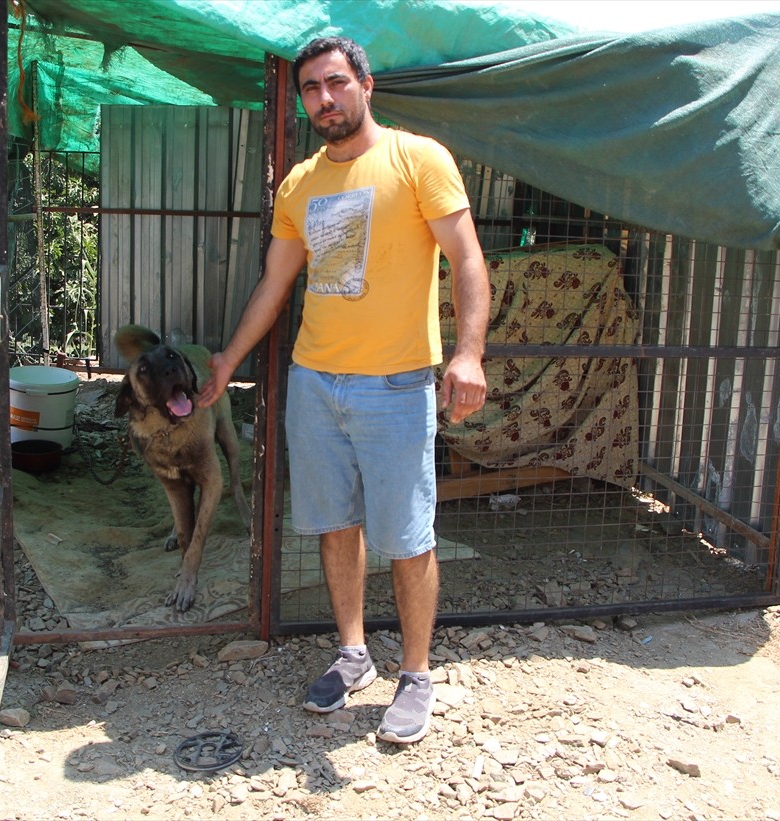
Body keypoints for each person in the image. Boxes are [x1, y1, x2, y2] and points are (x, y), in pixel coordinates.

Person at [197, 36, 489, 744]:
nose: (323, 99)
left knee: (409, 538)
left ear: (366, 84)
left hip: (395, 386)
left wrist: (470, 352)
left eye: (335, 83)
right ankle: (354, 652)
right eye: (310, 89)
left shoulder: (418, 159)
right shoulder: (299, 184)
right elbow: (276, 283)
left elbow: (467, 257)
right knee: (335, 527)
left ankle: (415, 674)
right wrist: (228, 359)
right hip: (315, 382)